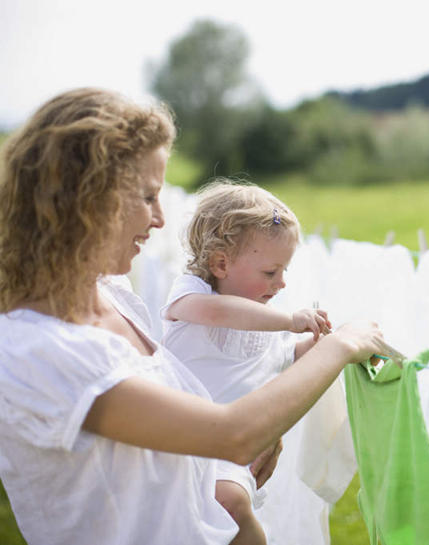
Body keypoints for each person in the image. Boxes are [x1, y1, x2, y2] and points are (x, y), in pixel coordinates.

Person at [0, 87, 387, 545]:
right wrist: (342, 345)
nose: (161, 219)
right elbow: (233, 434)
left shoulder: (111, 294)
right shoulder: (36, 350)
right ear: (87, 200)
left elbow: (179, 433)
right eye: (147, 196)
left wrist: (247, 446)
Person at [160, 179, 332, 543]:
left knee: (231, 503)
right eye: (270, 272)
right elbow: (217, 313)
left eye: (284, 271)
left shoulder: (267, 322)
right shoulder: (192, 295)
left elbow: (289, 358)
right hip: (176, 438)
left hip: (230, 451)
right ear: (220, 263)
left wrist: (323, 345)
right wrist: (290, 321)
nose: (281, 283)